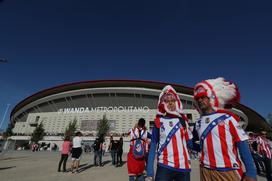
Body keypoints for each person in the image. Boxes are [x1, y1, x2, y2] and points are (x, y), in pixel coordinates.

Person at [191, 77, 256, 181]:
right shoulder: (198, 122)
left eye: (203, 97)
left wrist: (251, 172)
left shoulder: (229, 118)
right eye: (197, 98)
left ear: (211, 97)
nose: (199, 100)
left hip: (227, 170)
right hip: (204, 170)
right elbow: (193, 143)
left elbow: (242, 144)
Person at [147, 85, 192, 181]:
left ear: (177, 102)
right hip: (164, 166)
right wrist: (150, 170)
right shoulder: (158, 121)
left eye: (173, 100)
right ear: (163, 103)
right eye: (167, 101)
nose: (170, 103)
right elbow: (153, 146)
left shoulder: (183, 121)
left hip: (183, 167)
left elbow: (191, 144)